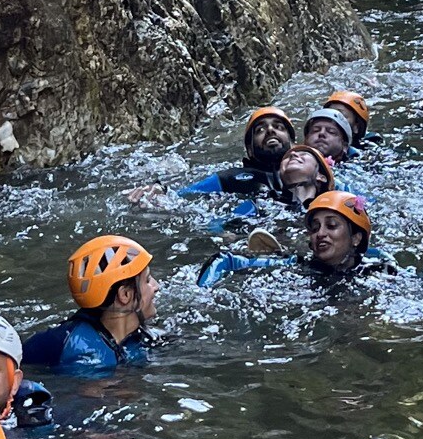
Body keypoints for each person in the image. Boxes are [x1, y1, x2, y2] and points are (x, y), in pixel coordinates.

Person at [198, 188, 388, 288]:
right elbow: (224, 259)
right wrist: (201, 295)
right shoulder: (296, 265)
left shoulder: (380, 271)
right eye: (314, 228)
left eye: (331, 225)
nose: (320, 233)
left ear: (356, 238)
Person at [23, 237, 158, 374]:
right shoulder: (84, 356)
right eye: (147, 280)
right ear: (125, 295)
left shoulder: (142, 338)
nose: (156, 286)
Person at [179, 106, 297, 207]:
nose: (270, 130)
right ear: (249, 149)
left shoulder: (309, 173)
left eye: (279, 127)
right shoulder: (229, 179)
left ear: (293, 144)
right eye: (260, 130)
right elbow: (180, 197)